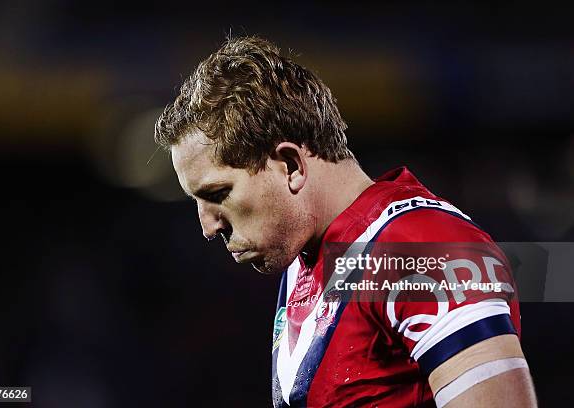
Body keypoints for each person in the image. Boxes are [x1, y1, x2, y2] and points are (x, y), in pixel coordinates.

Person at [154, 36, 536, 407]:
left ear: (289, 166)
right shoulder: (308, 255)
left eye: (218, 194)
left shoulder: (420, 247)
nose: (207, 227)